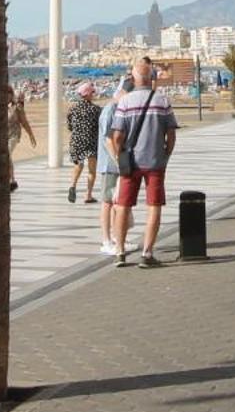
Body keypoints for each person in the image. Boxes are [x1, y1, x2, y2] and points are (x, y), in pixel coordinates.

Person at [107, 60, 178, 268]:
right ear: (151, 78)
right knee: (154, 206)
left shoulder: (125, 102)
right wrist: (166, 154)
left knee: (122, 206)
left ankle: (120, 252)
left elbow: (117, 135)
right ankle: (147, 253)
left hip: (130, 163)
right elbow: (171, 133)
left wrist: (120, 153)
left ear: (134, 78)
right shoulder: (162, 101)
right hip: (155, 162)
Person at [96, 75, 132, 254]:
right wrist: (118, 161)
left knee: (118, 200)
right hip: (110, 164)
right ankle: (106, 240)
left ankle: (118, 238)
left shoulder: (120, 109)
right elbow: (107, 140)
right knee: (107, 201)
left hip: (118, 162)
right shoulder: (110, 110)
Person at [65, 83, 100, 204]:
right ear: (89, 94)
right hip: (91, 141)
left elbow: (70, 126)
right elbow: (99, 127)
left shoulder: (73, 109)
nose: (94, 95)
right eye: (93, 92)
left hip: (76, 141)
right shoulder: (95, 109)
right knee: (91, 170)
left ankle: (73, 185)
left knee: (78, 165)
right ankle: (88, 195)